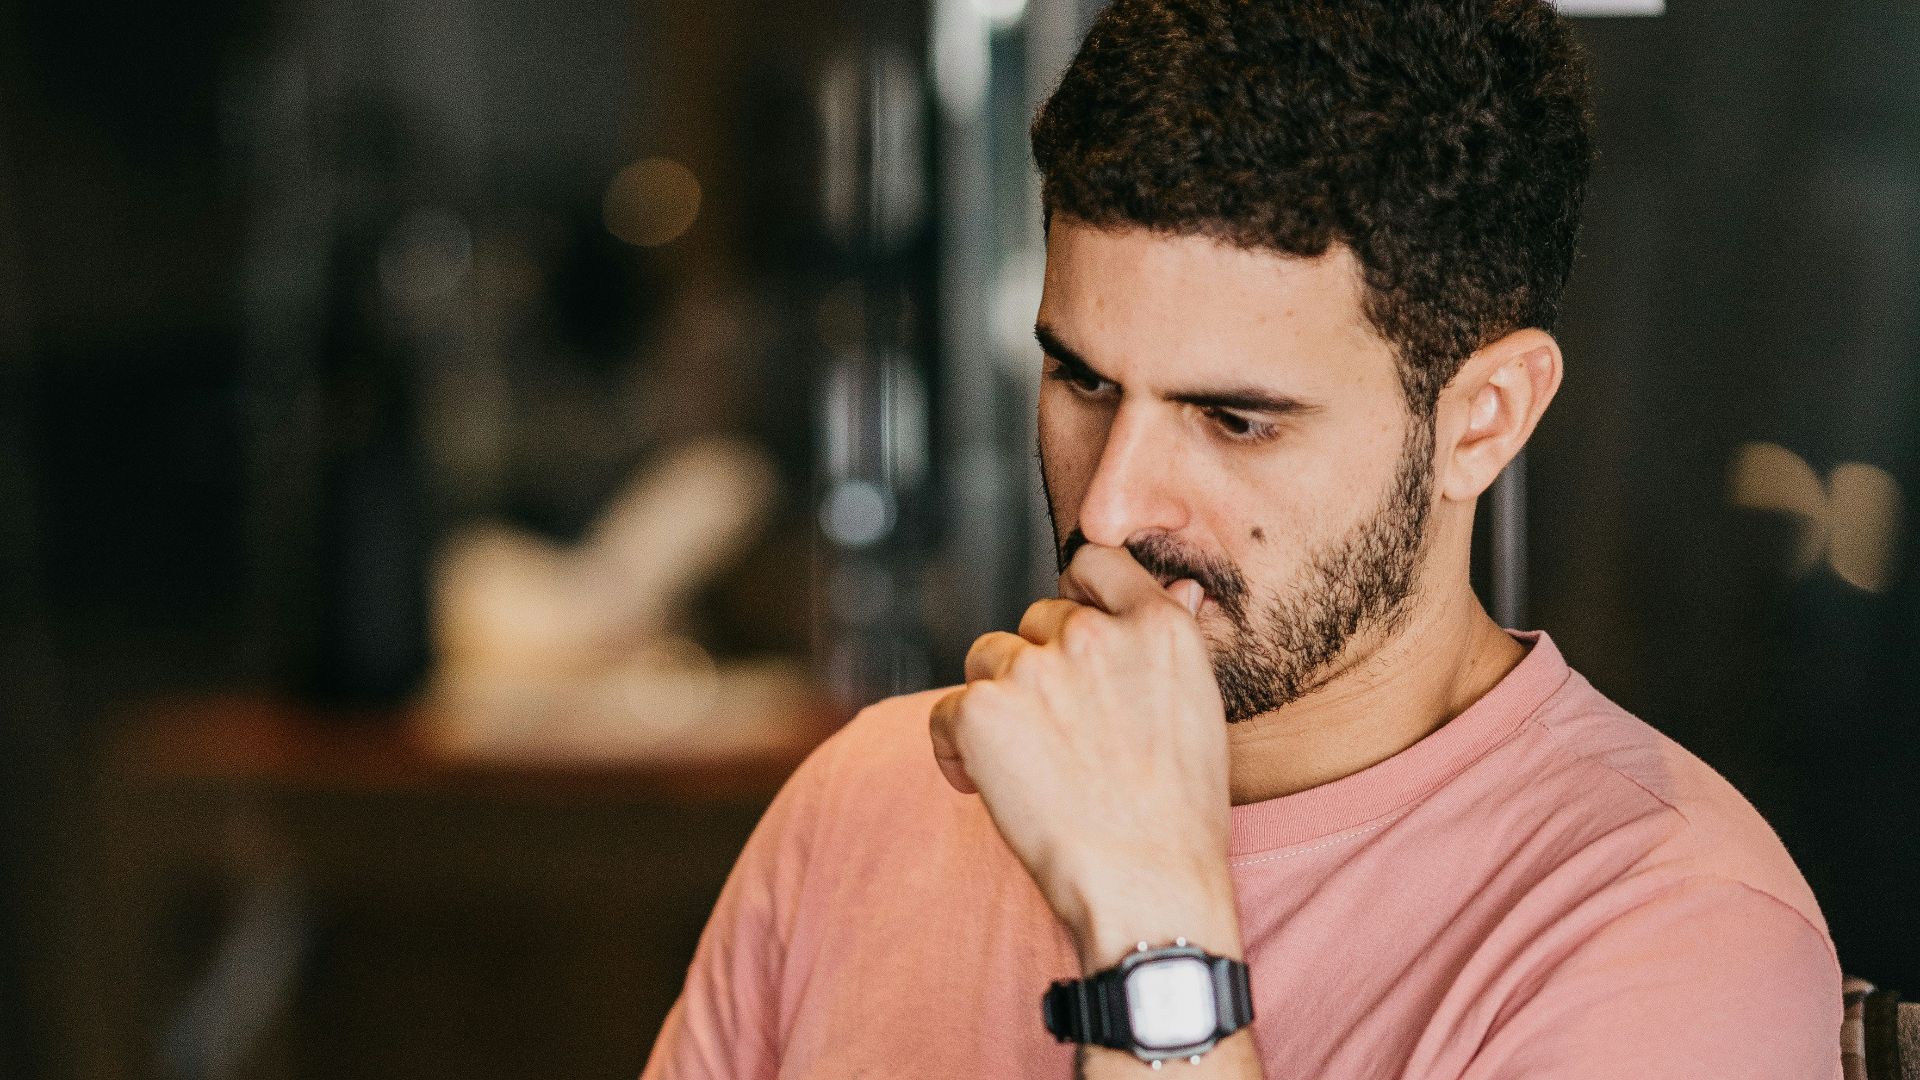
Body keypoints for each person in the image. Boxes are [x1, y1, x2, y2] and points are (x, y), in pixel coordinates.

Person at [640, 1, 1843, 1076]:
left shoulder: (1675, 930)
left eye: (1235, 419)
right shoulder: (867, 801)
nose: (1110, 509)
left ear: (1486, 418)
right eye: (1082, 381)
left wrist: (1149, 927)